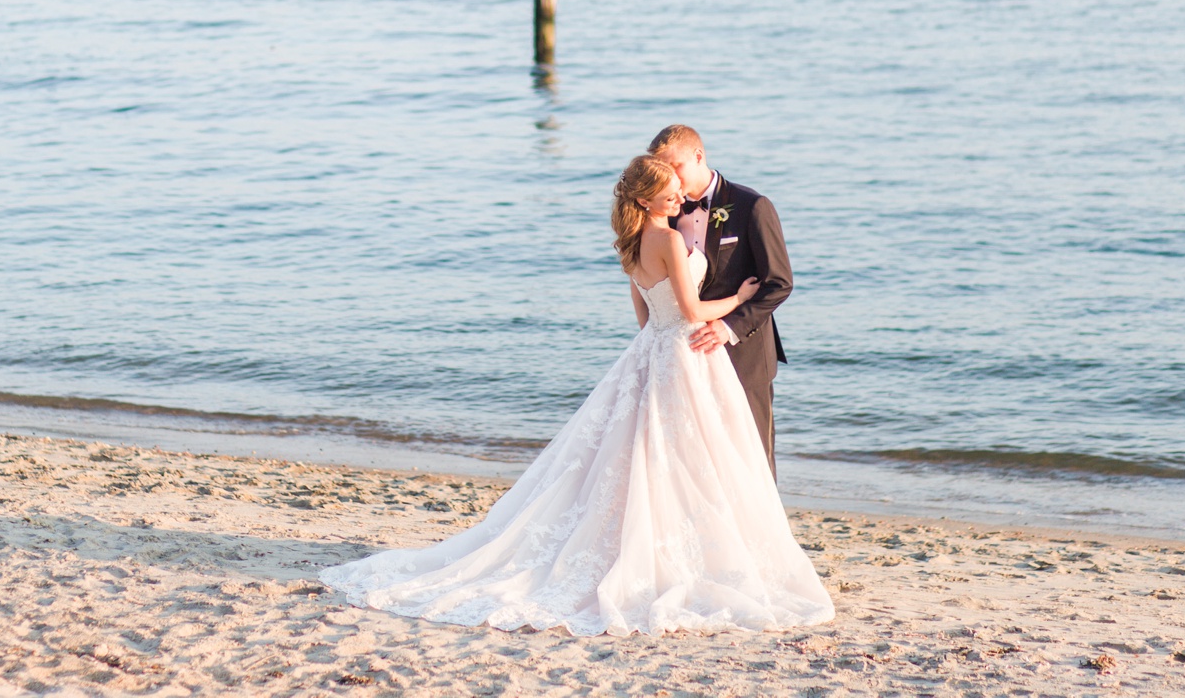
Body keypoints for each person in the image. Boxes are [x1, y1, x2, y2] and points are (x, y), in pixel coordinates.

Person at [319, 155, 834, 636]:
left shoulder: (630, 245)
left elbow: (646, 318)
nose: (680, 199)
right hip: (684, 354)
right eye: (671, 193)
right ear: (646, 200)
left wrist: (670, 329)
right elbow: (694, 312)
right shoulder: (672, 243)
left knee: (648, 457)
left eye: (681, 192)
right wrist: (740, 298)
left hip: (651, 350)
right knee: (689, 457)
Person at [648, 125, 790, 477]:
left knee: (752, 457)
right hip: (686, 355)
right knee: (696, 460)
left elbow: (778, 283)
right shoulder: (664, 212)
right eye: (663, 170)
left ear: (699, 156)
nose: (672, 180)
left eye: (675, 167)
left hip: (744, 353)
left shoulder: (752, 206)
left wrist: (728, 327)